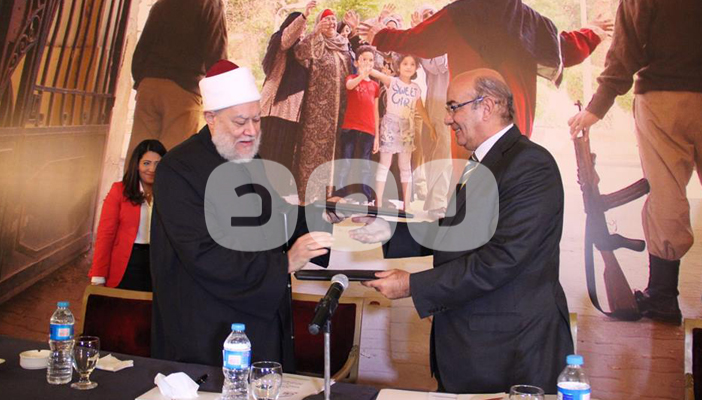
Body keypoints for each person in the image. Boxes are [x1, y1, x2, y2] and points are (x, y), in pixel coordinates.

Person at [351, 69, 573, 393]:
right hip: (473, 350)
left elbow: (502, 258)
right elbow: (455, 231)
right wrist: (384, 231)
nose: (446, 119)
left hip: (510, 354)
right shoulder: (484, 161)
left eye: (454, 107)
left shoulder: (530, 165)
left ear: (487, 107)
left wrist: (413, 284)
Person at [150, 60, 337, 368]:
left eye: (257, 120)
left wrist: (327, 215)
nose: (251, 131)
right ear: (211, 118)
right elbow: (202, 253)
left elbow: (278, 217)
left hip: (259, 322)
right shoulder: (178, 169)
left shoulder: (249, 159)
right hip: (207, 332)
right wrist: (284, 263)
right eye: (240, 122)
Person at [568, 0, 702, 325]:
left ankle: (663, 296)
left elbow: (626, 45)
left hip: (663, 97)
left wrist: (597, 106)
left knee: (667, 194)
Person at [357, 0, 608, 140]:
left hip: (470, 125)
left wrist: (381, 35)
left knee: (475, 194)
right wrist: (592, 33)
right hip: (513, 126)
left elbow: (418, 39)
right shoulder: (528, 21)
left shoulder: (458, 15)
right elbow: (565, 50)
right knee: (508, 194)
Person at [127, 0, 227, 158]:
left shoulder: (162, 3)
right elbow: (216, 54)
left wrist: (141, 81)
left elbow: (142, 48)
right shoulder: (210, 4)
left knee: (141, 155)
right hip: (183, 90)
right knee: (173, 157)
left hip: (149, 85)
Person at [88, 140, 167, 292]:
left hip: (158, 262)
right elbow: (106, 235)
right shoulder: (119, 191)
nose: (152, 169)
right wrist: (98, 276)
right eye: (146, 163)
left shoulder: (170, 193)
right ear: (137, 165)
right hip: (127, 263)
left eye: (158, 164)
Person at [294, 9, 353, 204]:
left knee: (336, 151)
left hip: (341, 109)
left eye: (333, 19)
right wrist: (316, 32)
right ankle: (308, 194)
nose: (331, 22)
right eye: (326, 19)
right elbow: (299, 53)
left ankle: (330, 194)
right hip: (317, 108)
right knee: (313, 150)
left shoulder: (343, 44)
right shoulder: (316, 41)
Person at [372, 55, 436, 211]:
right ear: (398, 66)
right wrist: (366, 68)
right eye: (405, 63)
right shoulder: (392, 82)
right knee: (384, 164)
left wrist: (430, 126)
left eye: (412, 64)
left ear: (416, 68)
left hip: (407, 128)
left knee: (405, 166)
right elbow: (377, 74)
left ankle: (406, 205)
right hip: (390, 125)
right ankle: (378, 202)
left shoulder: (415, 89)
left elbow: (420, 109)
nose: (408, 67)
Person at [259, 1, 316, 175]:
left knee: (283, 157)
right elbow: (288, 38)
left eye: (305, 28)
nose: (303, 30)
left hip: (292, 114)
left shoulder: (302, 50)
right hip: (274, 109)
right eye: (301, 27)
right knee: (268, 154)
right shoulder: (280, 42)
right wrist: (304, 15)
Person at [411, 4, 452, 218]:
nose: (429, 16)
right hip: (435, 100)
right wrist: (419, 33)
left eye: (431, 14)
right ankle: (435, 201)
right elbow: (434, 65)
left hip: (455, 98)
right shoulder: (423, 40)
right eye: (425, 15)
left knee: (447, 148)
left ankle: (441, 201)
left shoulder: (449, 35)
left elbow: (441, 64)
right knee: (436, 147)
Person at [334, 45, 381, 203]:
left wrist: (376, 136)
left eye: (371, 60)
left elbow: (375, 111)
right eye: (364, 59)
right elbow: (349, 86)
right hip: (351, 128)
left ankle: (366, 197)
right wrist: (362, 75)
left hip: (368, 130)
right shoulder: (351, 78)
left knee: (364, 165)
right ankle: (340, 194)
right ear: (356, 62)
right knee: (346, 162)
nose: (368, 63)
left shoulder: (375, 86)